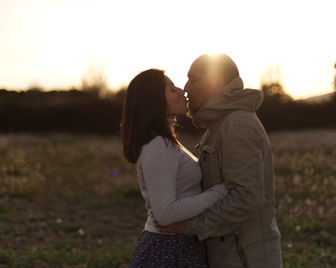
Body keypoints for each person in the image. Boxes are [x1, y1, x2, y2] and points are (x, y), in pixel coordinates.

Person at [156, 54, 283, 268]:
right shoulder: (220, 124)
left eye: (194, 79)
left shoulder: (236, 124)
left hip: (246, 258)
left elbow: (245, 197)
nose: (186, 87)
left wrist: (191, 226)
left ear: (218, 81)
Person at [121, 69, 228, 267]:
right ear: (155, 102)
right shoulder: (158, 145)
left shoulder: (166, 141)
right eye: (172, 89)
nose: (181, 91)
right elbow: (165, 213)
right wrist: (219, 192)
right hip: (169, 249)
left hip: (179, 243)